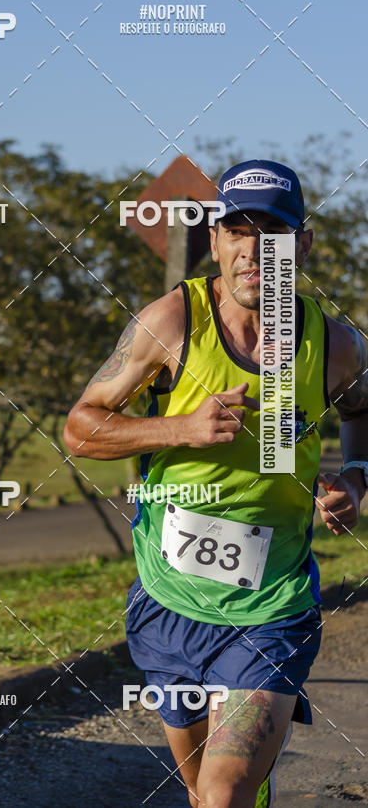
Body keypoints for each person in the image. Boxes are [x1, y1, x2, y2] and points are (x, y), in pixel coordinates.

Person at [63, 160, 368, 808]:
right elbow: (80, 429)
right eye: (237, 230)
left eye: (274, 232)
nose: (254, 249)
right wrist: (178, 430)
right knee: (204, 795)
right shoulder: (172, 323)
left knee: (223, 793)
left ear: (303, 245)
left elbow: (363, 410)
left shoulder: (335, 344)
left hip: (271, 608)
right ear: (215, 241)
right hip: (168, 604)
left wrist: (357, 477)